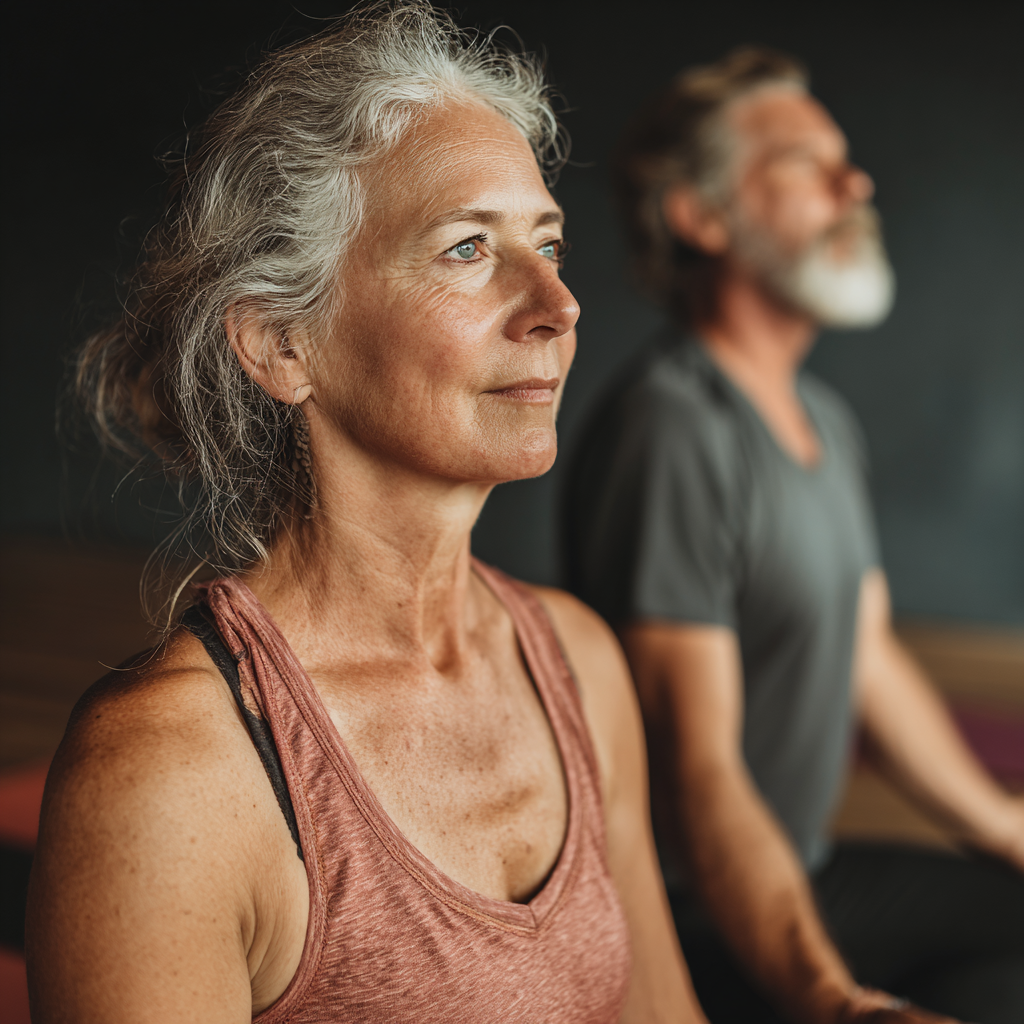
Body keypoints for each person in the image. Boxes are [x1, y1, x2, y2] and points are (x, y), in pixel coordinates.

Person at [25, 5, 708, 1021]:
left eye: (549, 244)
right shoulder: (168, 773)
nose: (558, 305)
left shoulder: (578, 662)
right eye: (467, 248)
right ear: (284, 346)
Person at [564, 47, 1024, 1024]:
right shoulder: (673, 427)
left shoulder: (823, 420)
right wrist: (832, 999)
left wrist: (1003, 824)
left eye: (846, 161)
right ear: (701, 216)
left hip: (802, 864)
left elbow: (868, 654)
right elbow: (699, 775)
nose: (854, 185)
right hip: (691, 912)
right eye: (803, 163)